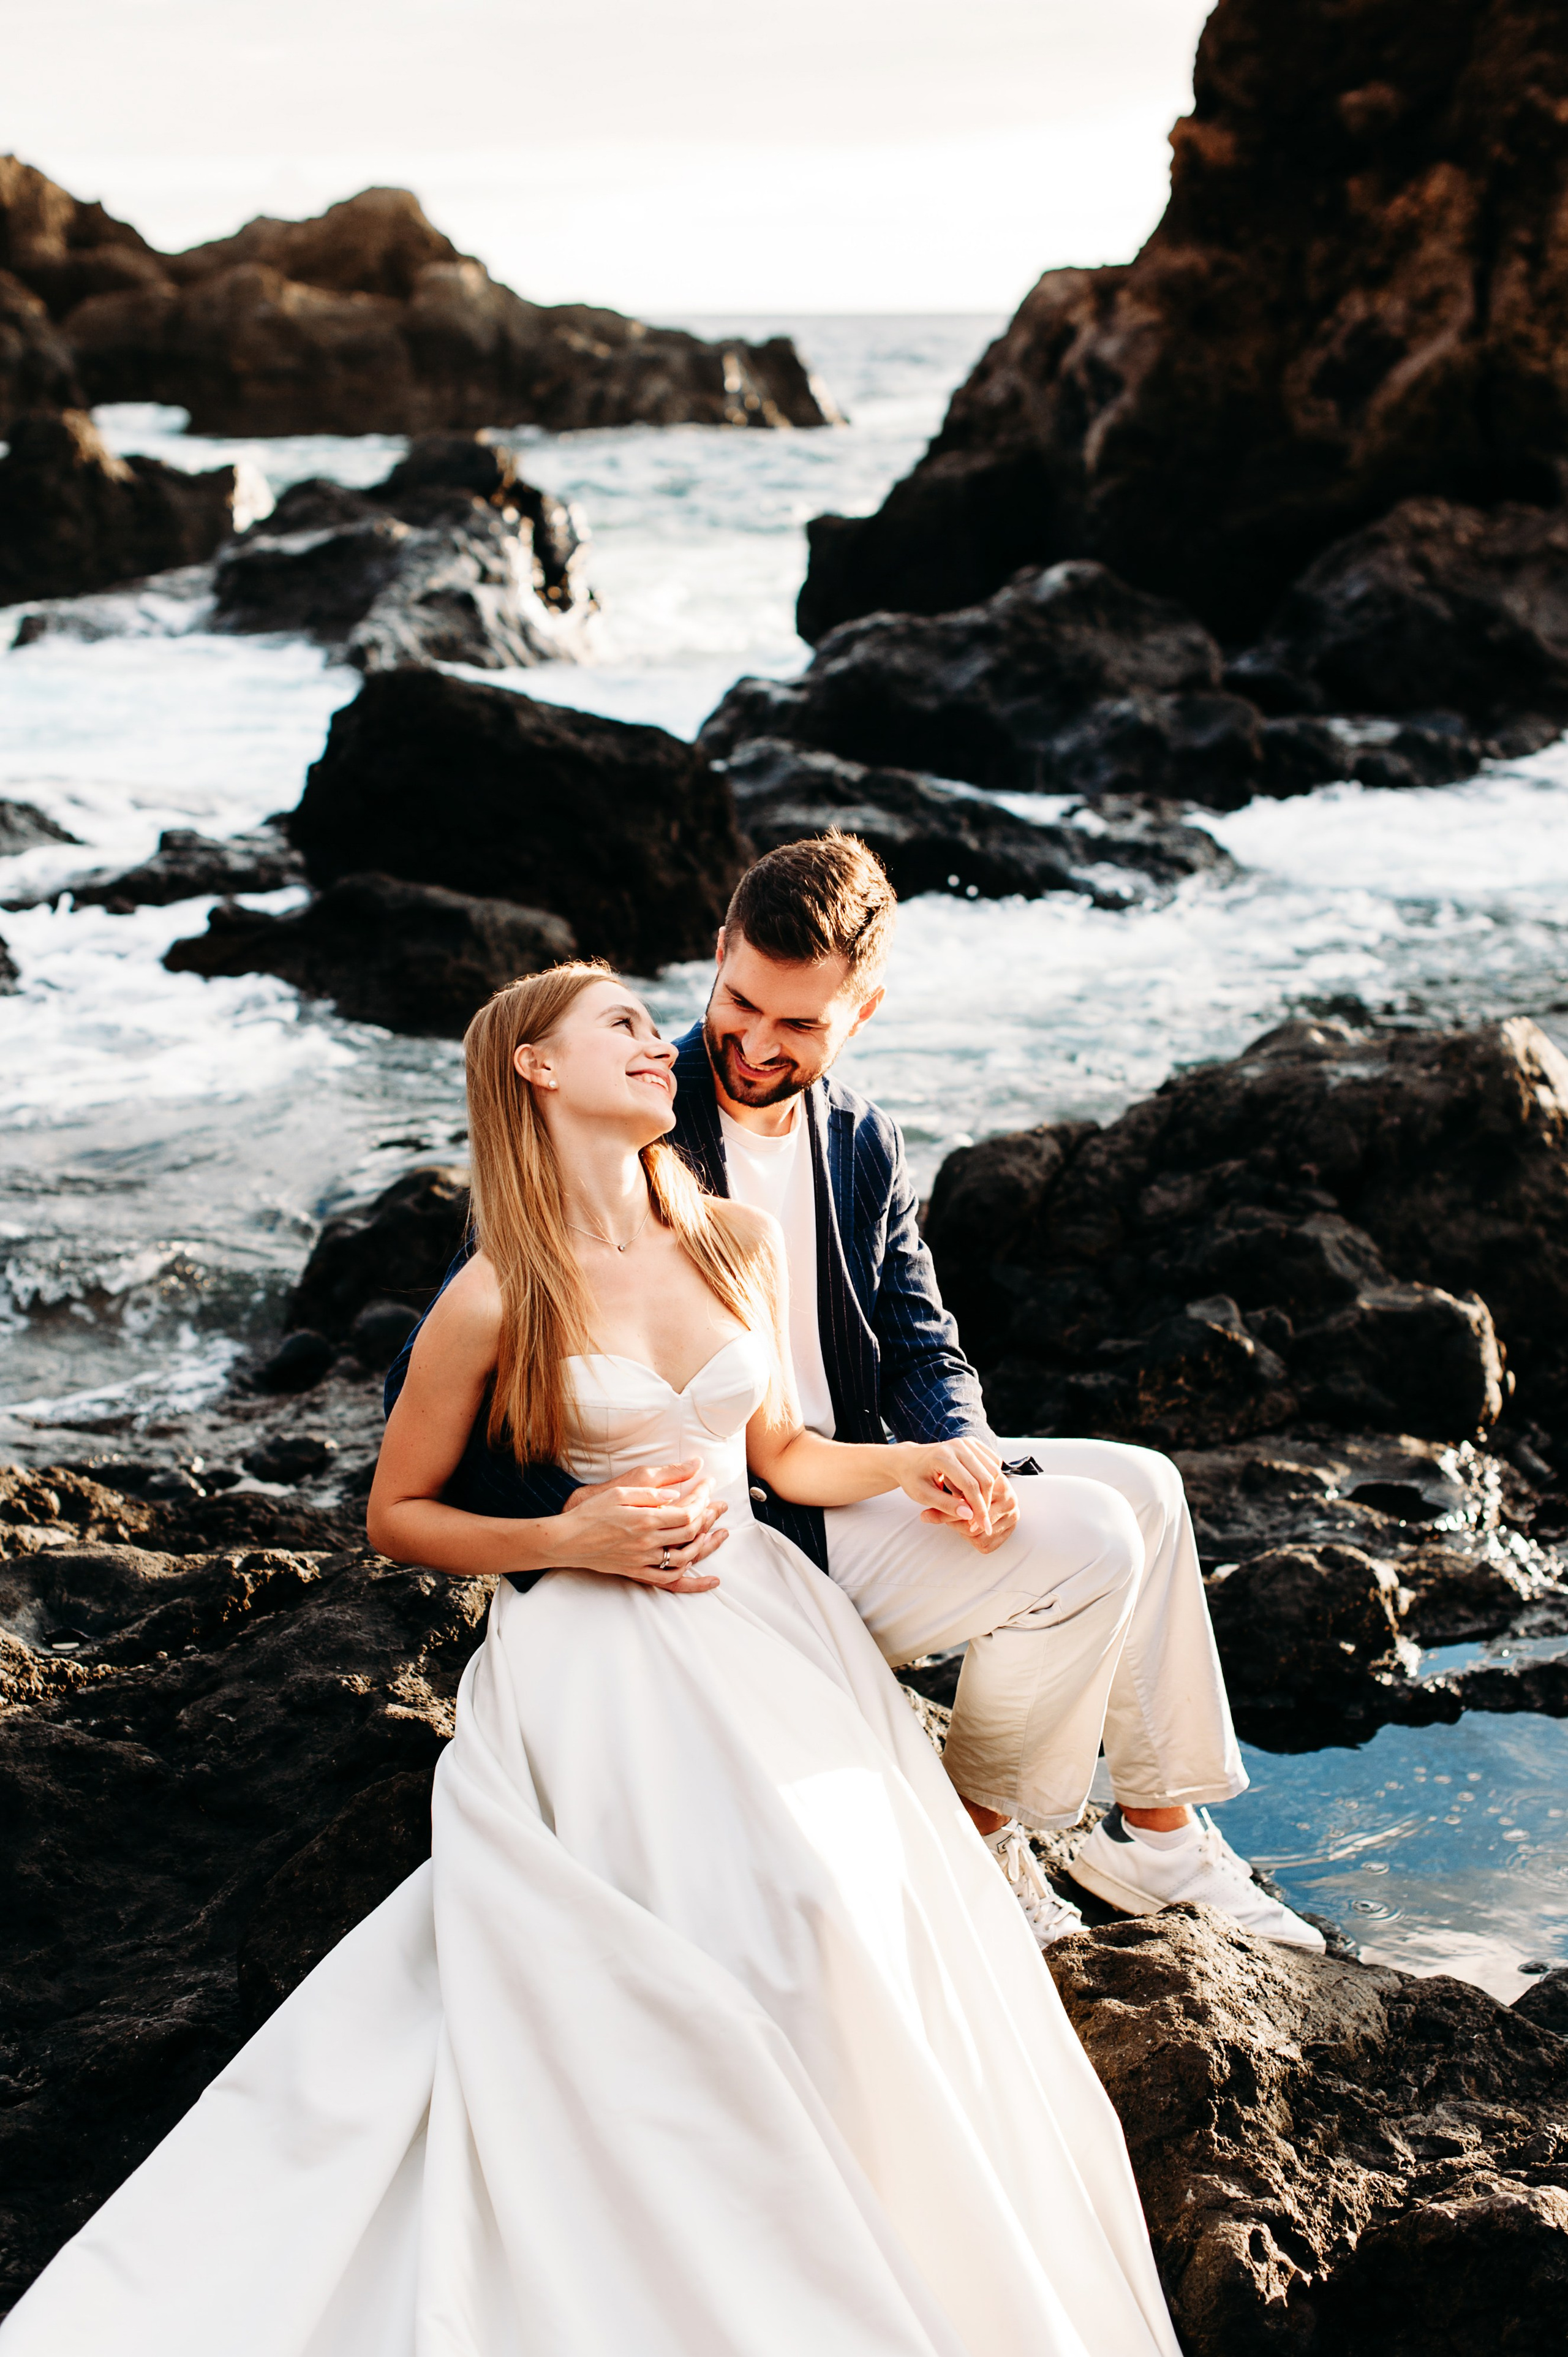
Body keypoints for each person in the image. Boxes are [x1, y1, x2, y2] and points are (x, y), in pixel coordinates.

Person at [3, 960, 1182, 2357]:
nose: (658, 1039)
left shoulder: (731, 1240)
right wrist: (570, 1534)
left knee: (854, 1902)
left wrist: (917, 1459)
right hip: (596, 1636)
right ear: (534, 1071)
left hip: (764, 1612)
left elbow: (783, 1455)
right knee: (761, 1909)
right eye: (620, 1023)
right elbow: (397, 1514)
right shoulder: (499, 1291)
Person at [387, 833, 1322, 1956]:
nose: (755, 1044)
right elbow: (464, 1369)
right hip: (747, 1518)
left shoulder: (860, 1140)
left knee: (1152, 1486)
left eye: (800, 1026)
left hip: (844, 1465)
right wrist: (573, 1534)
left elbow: (925, 1346)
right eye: (741, 1004)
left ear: (863, 1012)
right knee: (1093, 1538)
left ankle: (1159, 1837)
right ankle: (985, 1845)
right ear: (721, 951)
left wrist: (963, 1453)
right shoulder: (627, 1107)